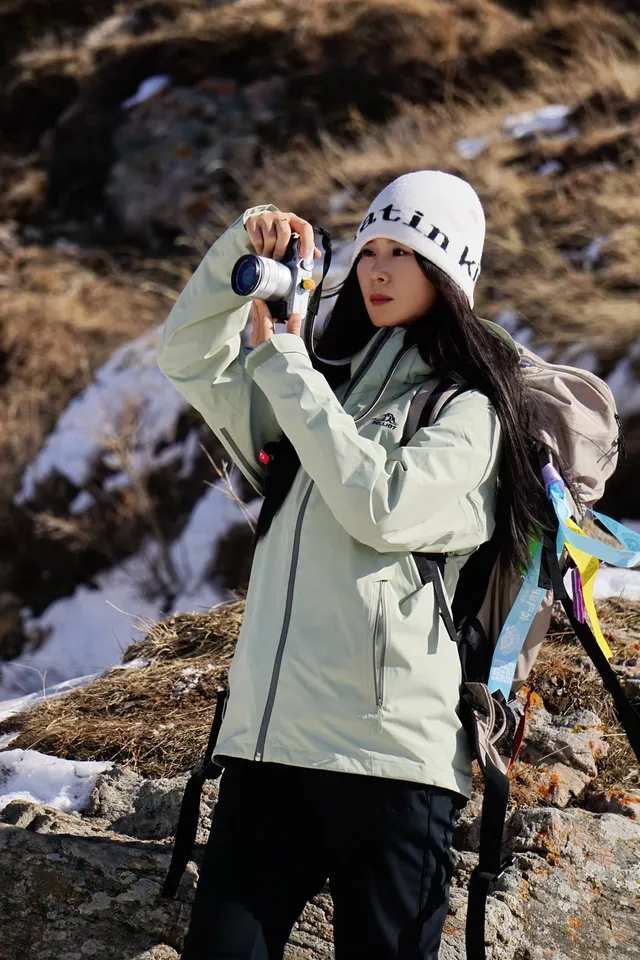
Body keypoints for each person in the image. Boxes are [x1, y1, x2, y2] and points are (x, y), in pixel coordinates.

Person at [157, 171, 551, 959]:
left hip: (393, 760)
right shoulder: (321, 388)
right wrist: (245, 245)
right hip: (272, 750)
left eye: (402, 253)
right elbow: (188, 358)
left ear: (448, 274)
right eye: (368, 248)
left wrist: (292, 363)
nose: (375, 268)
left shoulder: (469, 408)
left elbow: (383, 506)